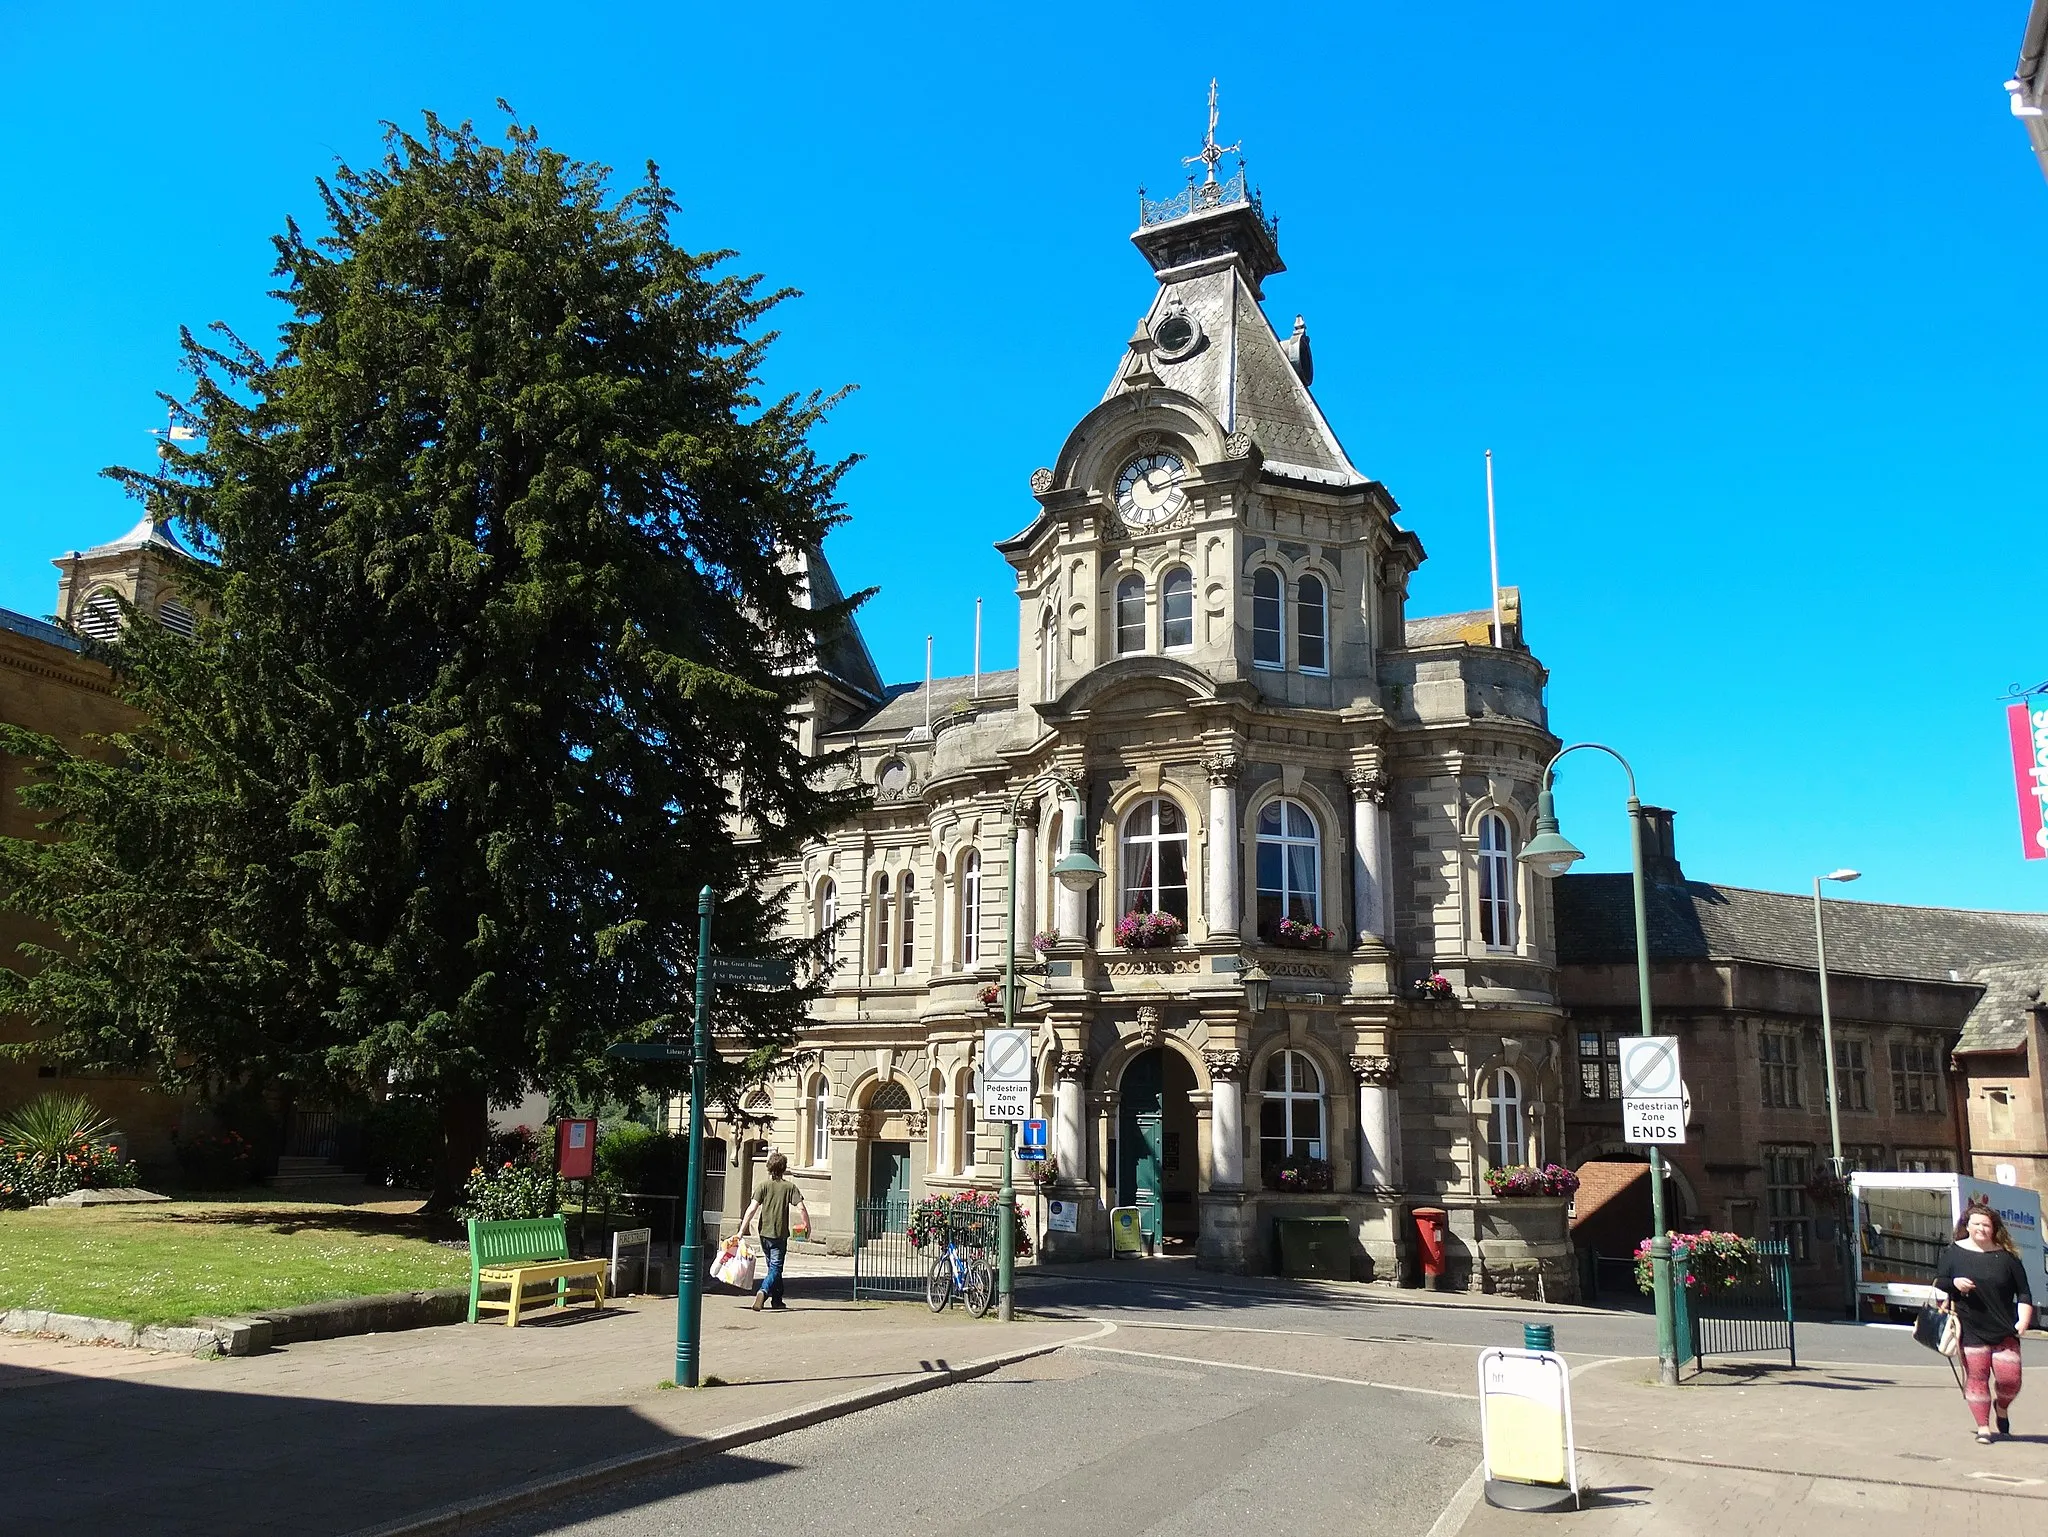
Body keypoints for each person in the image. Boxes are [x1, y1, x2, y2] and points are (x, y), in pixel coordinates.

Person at [1935, 1201, 2035, 1444]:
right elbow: (1940, 1282)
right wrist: (1955, 1283)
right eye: (1976, 1223)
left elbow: (2024, 1292)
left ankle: (2001, 1408)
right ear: (1967, 1226)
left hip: (2004, 1327)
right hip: (1969, 1326)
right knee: (1977, 1377)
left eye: (1986, 1224)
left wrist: (2023, 1320)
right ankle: (1983, 1428)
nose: (1981, 1228)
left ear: (1994, 1228)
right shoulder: (1953, 1253)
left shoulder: (2007, 1258)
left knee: (2010, 1380)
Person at [738, 1152, 808, 1312]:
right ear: (783, 1168)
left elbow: (752, 1209)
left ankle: (777, 1299)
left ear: (769, 1168)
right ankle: (762, 1291)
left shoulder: (762, 1186)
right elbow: (801, 1208)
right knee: (776, 1268)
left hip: (764, 1234)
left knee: (773, 1267)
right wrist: (806, 1225)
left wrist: (742, 1230)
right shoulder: (790, 1187)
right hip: (779, 1234)